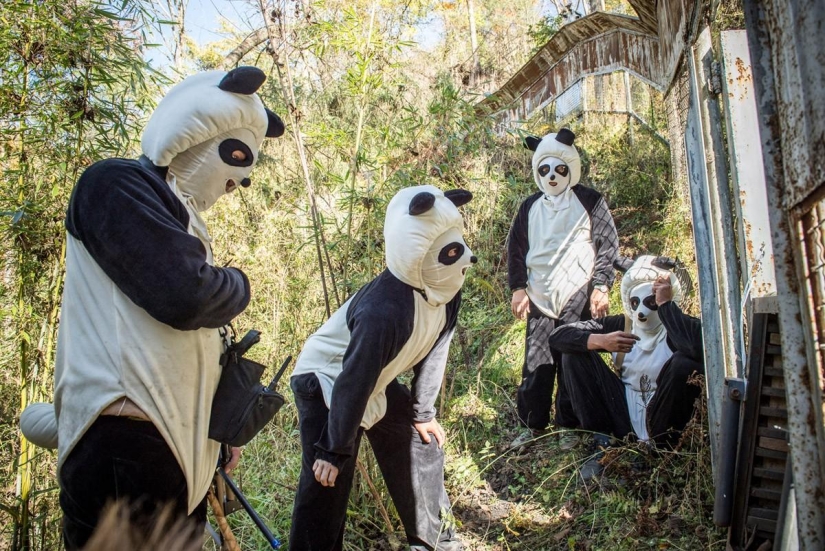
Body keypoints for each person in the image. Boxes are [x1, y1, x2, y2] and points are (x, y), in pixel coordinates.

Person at [43, 66, 284, 549]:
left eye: (243, 175)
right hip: (126, 447)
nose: (234, 182)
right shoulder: (115, 184)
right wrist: (239, 283)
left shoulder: (181, 220)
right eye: (233, 159)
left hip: (175, 450)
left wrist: (213, 442)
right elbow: (187, 295)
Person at [289, 185, 475, 551]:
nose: (466, 259)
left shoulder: (447, 287)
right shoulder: (385, 310)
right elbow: (353, 379)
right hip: (328, 376)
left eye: (461, 246)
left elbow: (436, 350)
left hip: (375, 377)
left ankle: (434, 541)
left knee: (421, 443)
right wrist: (334, 448)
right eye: (451, 253)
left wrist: (422, 412)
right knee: (326, 479)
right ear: (416, 252)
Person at [507, 128, 618, 444]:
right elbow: (516, 248)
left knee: (572, 359)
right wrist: (518, 288)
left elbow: (607, 244)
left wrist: (601, 285)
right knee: (537, 361)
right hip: (540, 292)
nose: (552, 176)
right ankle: (533, 425)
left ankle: (569, 426)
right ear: (537, 172)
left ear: (571, 168)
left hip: (578, 290)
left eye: (560, 169)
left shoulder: (589, 200)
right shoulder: (530, 207)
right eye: (545, 170)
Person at [548, 255, 704, 479]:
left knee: (683, 363)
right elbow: (557, 336)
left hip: (663, 421)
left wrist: (667, 308)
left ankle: (660, 453)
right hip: (623, 416)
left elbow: (696, 348)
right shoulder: (623, 325)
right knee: (574, 354)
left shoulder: (678, 328)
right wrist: (599, 341)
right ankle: (602, 441)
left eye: (650, 302)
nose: (641, 311)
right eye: (635, 303)